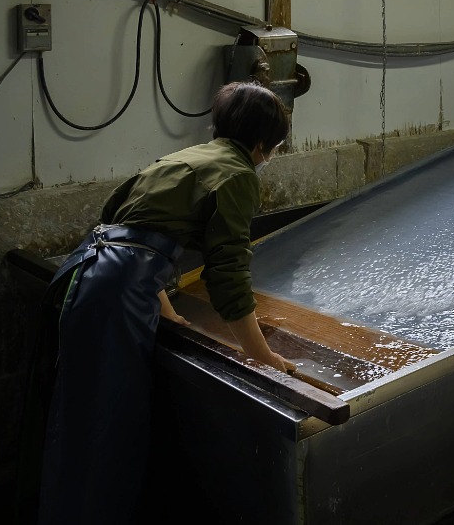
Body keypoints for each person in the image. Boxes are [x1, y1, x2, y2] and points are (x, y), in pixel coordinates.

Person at [37, 81, 296, 525]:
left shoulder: (184, 158)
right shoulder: (237, 175)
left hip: (87, 276)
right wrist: (263, 356)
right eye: (271, 148)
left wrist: (166, 309)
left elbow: (124, 226)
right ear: (262, 145)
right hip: (115, 294)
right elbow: (228, 272)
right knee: (106, 428)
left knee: (81, 417)